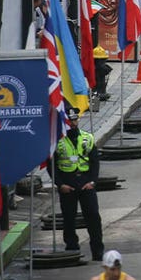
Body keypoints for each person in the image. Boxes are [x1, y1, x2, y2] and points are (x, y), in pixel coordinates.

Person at [52, 112, 104, 261]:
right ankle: (72, 249)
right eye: (69, 121)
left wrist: (93, 182)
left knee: (93, 216)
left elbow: (95, 162)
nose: (73, 124)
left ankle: (97, 250)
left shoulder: (87, 138)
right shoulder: (58, 141)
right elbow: (52, 166)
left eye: (74, 120)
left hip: (86, 182)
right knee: (69, 218)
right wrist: (60, 184)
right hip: (67, 184)